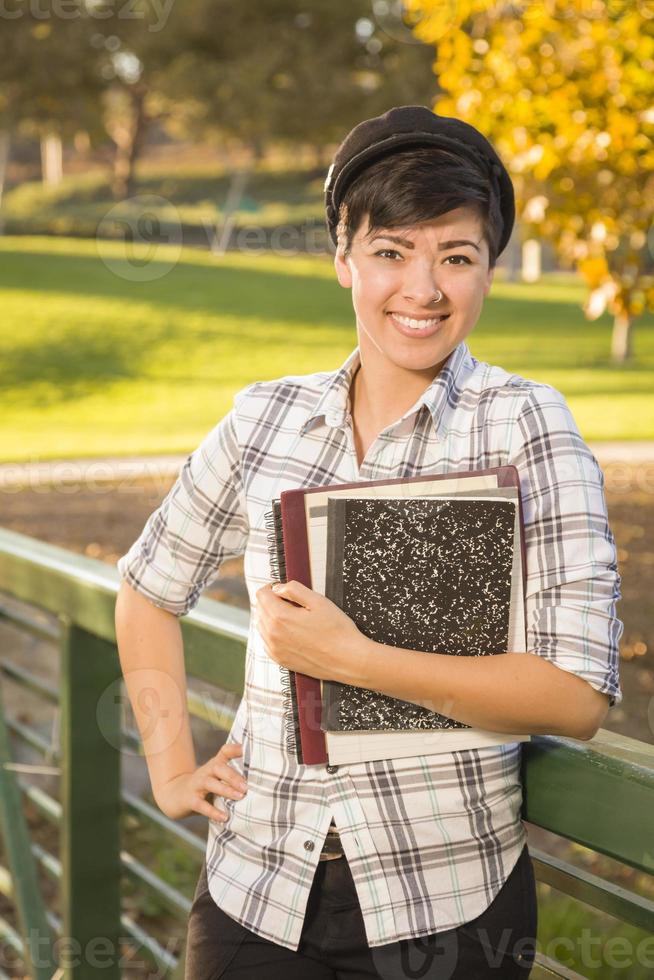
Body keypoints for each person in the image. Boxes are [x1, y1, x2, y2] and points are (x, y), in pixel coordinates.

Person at [114, 106, 623, 980]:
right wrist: (170, 768)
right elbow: (146, 588)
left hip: (447, 905)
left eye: (455, 257)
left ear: (487, 271)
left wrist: (353, 658)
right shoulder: (262, 419)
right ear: (342, 256)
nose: (422, 289)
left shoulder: (526, 424)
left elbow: (576, 695)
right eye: (391, 251)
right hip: (254, 888)